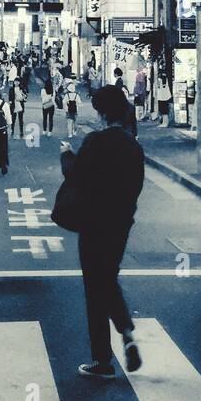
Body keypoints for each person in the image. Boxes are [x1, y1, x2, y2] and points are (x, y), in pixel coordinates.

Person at [60, 85, 145, 379]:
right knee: (107, 278)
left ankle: (103, 359)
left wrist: (67, 156)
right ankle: (127, 332)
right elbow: (135, 187)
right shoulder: (133, 146)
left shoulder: (96, 142)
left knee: (95, 288)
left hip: (93, 224)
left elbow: (77, 176)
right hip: (120, 225)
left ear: (104, 112)